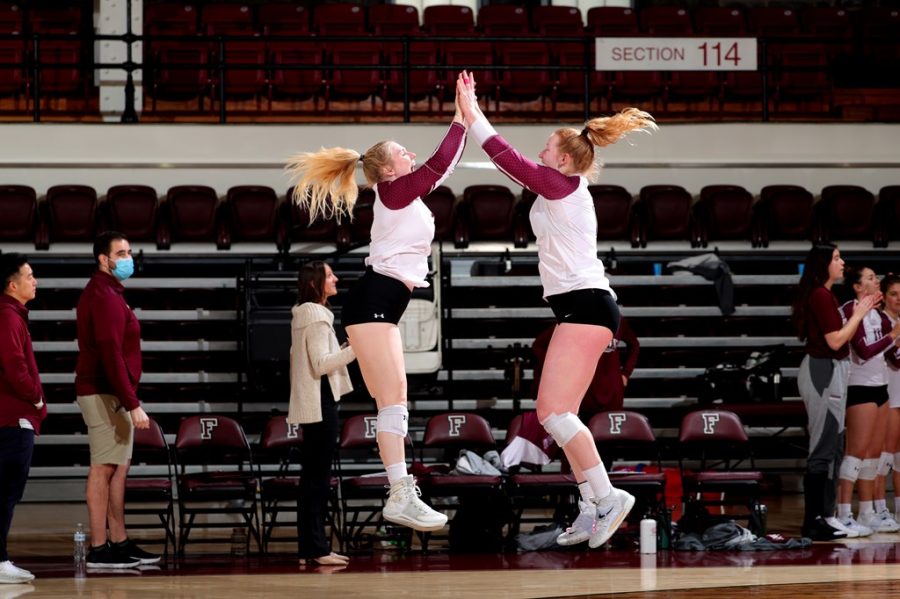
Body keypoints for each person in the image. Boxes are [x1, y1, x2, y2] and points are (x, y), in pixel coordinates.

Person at [457, 71, 655, 548]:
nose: (541, 152)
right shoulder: (562, 189)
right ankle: (591, 505)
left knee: (553, 412)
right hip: (583, 307)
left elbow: (506, 158)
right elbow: (515, 166)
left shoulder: (563, 185)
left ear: (564, 159)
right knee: (561, 415)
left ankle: (608, 497)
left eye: (547, 148)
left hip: (585, 306)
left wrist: (473, 111)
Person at [284, 86, 468, 532]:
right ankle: (400, 493)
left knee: (394, 402)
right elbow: (440, 163)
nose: (412, 154)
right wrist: (462, 119)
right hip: (375, 301)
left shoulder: (407, 195)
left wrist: (466, 119)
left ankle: (401, 493)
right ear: (388, 169)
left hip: (383, 301)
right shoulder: (394, 191)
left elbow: (445, 167)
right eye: (403, 152)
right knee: (393, 401)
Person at [75, 231, 158, 568]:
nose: (127, 258)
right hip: (103, 393)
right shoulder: (103, 295)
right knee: (103, 468)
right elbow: (109, 353)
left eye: (129, 252)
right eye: (120, 253)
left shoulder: (111, 292)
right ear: (103, 259)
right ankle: (98, 548)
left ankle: (119, 541)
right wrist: (132, 401)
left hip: (115, 394)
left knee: (118, 469)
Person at [791, 243, 881, 541]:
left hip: (833, 370)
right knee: (823, 447)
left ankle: (826, 515)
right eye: (837, 258)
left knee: (834, 446)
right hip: (822, 370)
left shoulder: (827, 295)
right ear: (823, 264)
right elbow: (834, 341)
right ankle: (814, 520)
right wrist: (860, 313)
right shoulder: (820, 295)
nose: (842, 262)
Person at [288, 261, 355, 567]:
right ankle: (317, 549)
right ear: (315, 283)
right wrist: (356, 349)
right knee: (317, 479)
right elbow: (322, 364)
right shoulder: (314, 315)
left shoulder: (306, 313)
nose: (335, 279)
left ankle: (308, 548)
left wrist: (344, 348)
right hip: (320, 403)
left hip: (316, 401)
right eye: (329, 275)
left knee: (312, 478)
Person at [836, 266, 900, 535]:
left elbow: (893, 359)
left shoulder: (878, 316)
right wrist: (894, 336)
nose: (876, 281)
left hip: (880, 387)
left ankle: (867, 512)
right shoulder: (853, 309)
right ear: (858, 287)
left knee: (874, 455)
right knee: (856, 453)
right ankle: (843, 513)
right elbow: (862, 352)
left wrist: (893, 340)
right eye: (871, 278)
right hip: (859, 387)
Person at [0, 254, 46, 584]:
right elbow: (15, 366)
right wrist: (36, 396)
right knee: (6, 492)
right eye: (30, 276)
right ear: (12, 284)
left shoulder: (11, 314)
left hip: (11, 416)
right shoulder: (7, 316)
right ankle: (0, 561)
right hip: (13, 418)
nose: (35, 281)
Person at [532, 314, 640, 417]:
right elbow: (539, 345)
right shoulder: (575, 320)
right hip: (583, 391)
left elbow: (634, 345)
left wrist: (626, 372)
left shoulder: (617, 319)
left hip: (612, 391)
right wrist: (560, 367)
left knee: (609, 433)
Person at [879, 273, 900, 521]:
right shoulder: (883, 321)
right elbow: (894, 358)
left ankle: (896, 509)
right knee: (884, 454)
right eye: (894, 295)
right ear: (883, 297)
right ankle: (876, 508)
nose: (898, 300)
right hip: (886, 392)